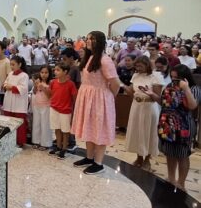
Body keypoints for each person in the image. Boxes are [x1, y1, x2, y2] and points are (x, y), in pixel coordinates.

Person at [71, 31, 122, 175]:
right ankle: (89, 157)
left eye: (91, 39)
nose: (88, 41)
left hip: (100, 99)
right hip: (88, 97)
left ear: (99, 41)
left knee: (99, 129)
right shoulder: (90, 57)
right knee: (90, 127)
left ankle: (98, 163)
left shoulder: (104, 60)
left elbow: (115, 83)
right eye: (87, 38)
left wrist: (109, 96)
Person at [158, 65, 201, 190]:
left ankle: (181, 182)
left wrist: (186, 88)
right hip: (168, 123)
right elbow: (164, 102)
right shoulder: (169, 87)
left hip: (184, 124)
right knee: (170, 152)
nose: (174, 80)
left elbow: (192, 105)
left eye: (177, 78)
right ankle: (171, 178)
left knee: (182, 154)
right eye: (172, 77)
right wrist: (152, 95)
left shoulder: (194, 88)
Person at [123, 56, 163, 171]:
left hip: (149, 107)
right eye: (136, 66)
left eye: (140, 66)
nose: (138, 68)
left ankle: (147, 159)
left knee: (148, 132)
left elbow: (158, 98)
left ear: (147, 65)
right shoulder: (135, 75)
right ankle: (139, 157)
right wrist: (124, 86)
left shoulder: (156, 76)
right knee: (137, 132)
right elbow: (132, 92)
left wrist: (148, 93)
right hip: (136, 106)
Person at [45, 63, 78, 159]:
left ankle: (64, 148)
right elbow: (50, 94)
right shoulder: (53, 82)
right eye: (55, 70)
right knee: (57, 128)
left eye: (58, 70)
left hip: (65, 110)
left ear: (65, 72)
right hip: (54, 108)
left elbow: (74, 97)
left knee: (65, 131)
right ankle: (58, 146)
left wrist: (74, 110)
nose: (55, 72)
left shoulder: (70, 84)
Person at [2, 56, 30, 147]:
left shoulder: (24, 75)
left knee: (19, 123)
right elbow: (5, 84)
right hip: (9, 100)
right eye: (11, 64)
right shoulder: (10, 74)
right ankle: (9, 140)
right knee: (9, 121)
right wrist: (7, 86)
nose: (11, 66)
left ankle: (19, 142)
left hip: (19, 103)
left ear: (20, 64)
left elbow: (23, 88)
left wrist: (12, 87)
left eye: (13, 64)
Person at [31, 66, 52, 150]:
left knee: (45, 124)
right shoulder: (38, 81)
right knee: (36, 124)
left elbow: (49, 95)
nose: (43, 75)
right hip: (37, 105)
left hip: (46, 106)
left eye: (46, 73)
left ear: (49, 73)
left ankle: (45, 143)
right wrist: (36, 86)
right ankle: (36, 141)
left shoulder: (51, 82)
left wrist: (43, 88)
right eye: (42, 72)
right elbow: (34, 92)